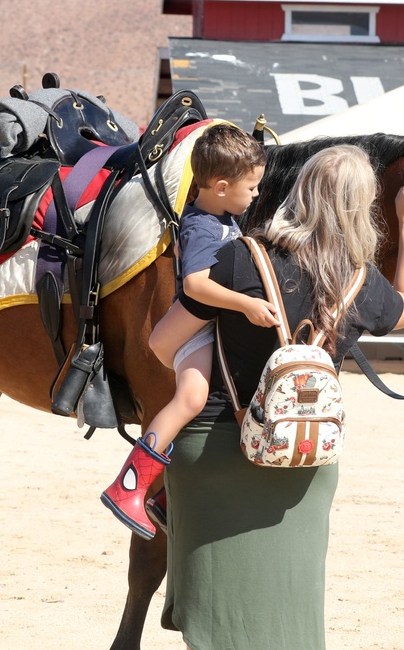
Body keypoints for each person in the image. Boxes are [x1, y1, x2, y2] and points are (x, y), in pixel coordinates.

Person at [150, 145, 404, 650]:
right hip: (302, 458)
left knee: (217, 624)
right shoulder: (361, 282)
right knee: (289, 622)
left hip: (216, 449)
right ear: (361, 206)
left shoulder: (239, 257)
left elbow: (162, 343)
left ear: (298, 191)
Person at [100, 123, 278, 540]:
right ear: (220, 186)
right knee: (191, 398)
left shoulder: (220, 217)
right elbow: (196, 285)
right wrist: (247, 303)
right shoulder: (202, 227)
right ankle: (131, 486)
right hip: (196, 333)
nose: (254, 195)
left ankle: (165, 498)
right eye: (251, 188)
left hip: (208, 330)